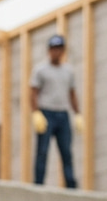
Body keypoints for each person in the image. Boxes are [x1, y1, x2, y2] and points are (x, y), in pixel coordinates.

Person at [30, 34, 83, 188]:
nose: (56, 52)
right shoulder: (40, 70)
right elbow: (33, 92)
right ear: (49, 50)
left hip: (63, 115)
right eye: (53, 49)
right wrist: (36, 112)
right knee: (42, 152)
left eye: (59, 49)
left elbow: (72, 94)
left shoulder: (68, 71)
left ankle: (71, 186)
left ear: (63, 50)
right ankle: (38, 185)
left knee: (66, 152)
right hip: (46, 113)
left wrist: (78, 113)